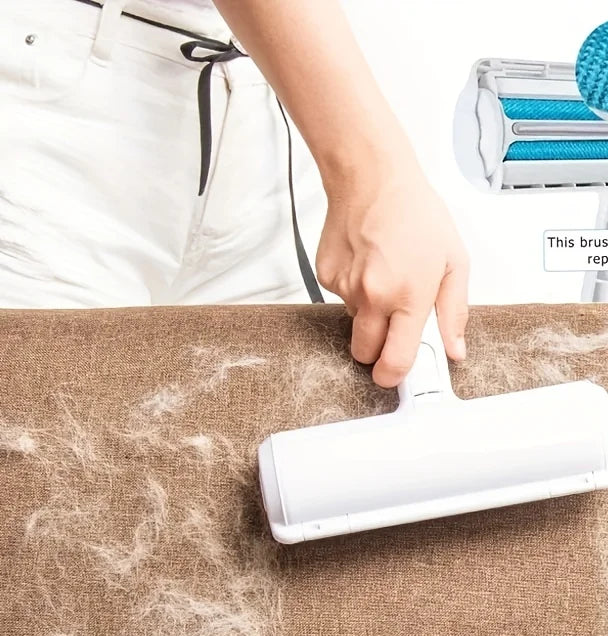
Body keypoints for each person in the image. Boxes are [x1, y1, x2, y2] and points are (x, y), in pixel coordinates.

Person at [0, 0, 469, 388]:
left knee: (274, 449)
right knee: (48, 446)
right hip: (61, 93)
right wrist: (375, 177)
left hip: (266, 90)